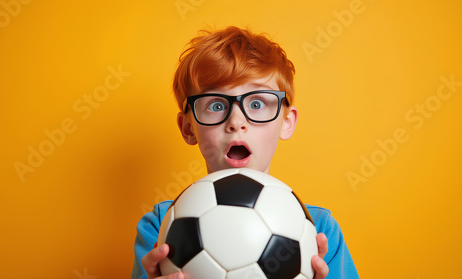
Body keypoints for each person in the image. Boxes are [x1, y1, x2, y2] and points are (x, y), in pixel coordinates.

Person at [131, 26, 359, 279]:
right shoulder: (161, 225)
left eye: (257, 103)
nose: (236, 121)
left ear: (286, 121)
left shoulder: (321, 230)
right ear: (188, 128)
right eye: (216, 105)